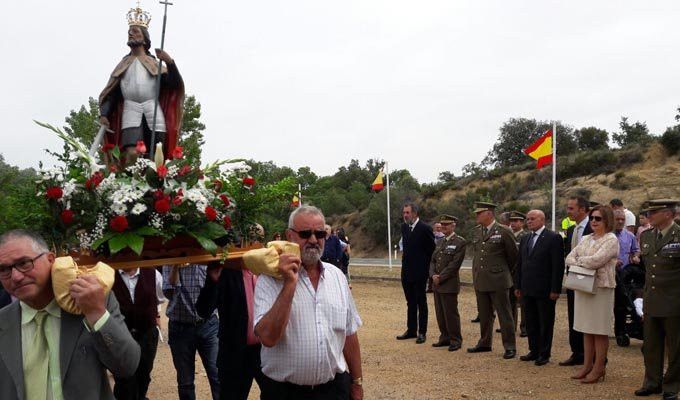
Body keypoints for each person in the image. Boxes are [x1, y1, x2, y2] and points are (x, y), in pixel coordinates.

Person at [0, 229, 140, 399]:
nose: (15, 277)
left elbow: (126, 366)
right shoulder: (4, 321)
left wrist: (96, 313)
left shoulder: (92, 302)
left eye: (24, 263)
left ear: (51, 259)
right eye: (4, 269)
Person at [254, 205, 364, 400]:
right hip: (285, 393)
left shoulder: (337, 276)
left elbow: (349, 334)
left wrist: (356, 383)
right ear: (290, 236)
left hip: (334, 390)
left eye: (319, 233)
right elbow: (268, 338)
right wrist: (289, 284)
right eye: (305, 233)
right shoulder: (269, 280)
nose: (313, 240)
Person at [99, 5, 184, 160]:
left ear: (144, 38)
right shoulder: (123, 64)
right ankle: (130, 183)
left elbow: (172, 84)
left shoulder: (154, 63)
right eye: (129, 32)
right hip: (131, 108)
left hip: (153, 108)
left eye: (135, 31)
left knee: (156, 153)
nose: (131, 33)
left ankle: (155, 183)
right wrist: (104, 113)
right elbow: (112, 92)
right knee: (132, 153)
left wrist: (169, 63)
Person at [565, 205, 619, 384]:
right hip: (584, 287)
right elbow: (569, 257)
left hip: (601, 289)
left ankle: (599, 367)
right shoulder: (587, 238)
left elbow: (598, 261)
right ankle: (587, 365)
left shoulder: (611, 239)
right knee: (586, 329)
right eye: (592, 218)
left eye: (598, 218)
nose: (594, 221)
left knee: (599, 330)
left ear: (607, 220)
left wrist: (580, 261)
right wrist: (583, 261)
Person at [634, 199, 680, 400]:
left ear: (668, 213)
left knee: (676, 348)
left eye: (654, 212)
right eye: (648, 212)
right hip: (652, 300)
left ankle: (672, 386)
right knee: (651, 346)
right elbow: (648, 271)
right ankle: (652, 382)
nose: (649, 215)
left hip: (674, 300)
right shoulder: (646, 236)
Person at [197, 266, 265, 400]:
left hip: (267, 352)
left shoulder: (266, 269)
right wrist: (212, 281)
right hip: (234, 354)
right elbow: (203, 310)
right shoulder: (227, 271)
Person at [467, 201, 519, 359]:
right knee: (484, 314)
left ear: (489, 213)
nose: (476, 215)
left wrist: (503, 273)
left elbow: (514, 257)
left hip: (499, 281)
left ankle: (510, 346)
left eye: (479, 213)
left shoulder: (504, 231)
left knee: (505, 314)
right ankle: (485, 343)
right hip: (481, 280)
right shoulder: (477, 231)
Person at [515, 210, 565, 366]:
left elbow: (558, 265)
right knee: (531, 321)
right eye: (527, 219)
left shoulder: (553, 238)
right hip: (527, 288)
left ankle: (544, 353)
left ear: (542, 220)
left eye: (532, 219)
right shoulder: (525, 238)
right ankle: (533, 350)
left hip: (545, 290)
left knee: (545, 322)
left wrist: (555, 289)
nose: (529, 221)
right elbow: (520, 264)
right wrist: (518, 285)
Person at [162, 264, 220, 400]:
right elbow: (168, 293)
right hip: (180, 327)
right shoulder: (171, 259)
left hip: (208, 325)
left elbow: (216, 288)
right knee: (185, 382)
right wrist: (176, 267)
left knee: (217, 375)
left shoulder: (205, 258)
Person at [111, 266, 166, 400]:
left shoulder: (153, 273)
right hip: (121, 334)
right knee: (124, 377)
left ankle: (141, 396)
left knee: (144, 373)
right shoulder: (109, 275)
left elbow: (159, 298)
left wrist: (154, 315)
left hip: (147, 333)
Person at [560, 196, 593, 367]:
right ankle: (577, 352)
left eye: (571, 208)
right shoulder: (572, 230)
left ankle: (592, 356)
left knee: (588, 318)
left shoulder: (593, 227)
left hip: (590, 280)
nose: (568, 211)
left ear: (582, 209)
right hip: (574, 279)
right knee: (574, 316)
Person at [397, 202, 436, 344]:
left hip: (420, 273)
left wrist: (427, 271)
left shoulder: (425, 229)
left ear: (415, 213)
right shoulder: (404, 228)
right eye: (404, 213)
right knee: (410, 302)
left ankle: (422, 332)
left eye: (407, 213)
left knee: (421, 302)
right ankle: (411, 330)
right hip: (406, 272)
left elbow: (432, 251)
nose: (405, 215)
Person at [429, 214, 467, 352]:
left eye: (447, 224)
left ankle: (455, 339)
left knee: (450, 313)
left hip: (448, 283)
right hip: (437, 283)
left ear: (453, 225)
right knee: (440, 313)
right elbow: (432, 260)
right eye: (442, 224)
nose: (444, 227)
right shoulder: (440, 241)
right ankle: (444, 337)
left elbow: (455, 264)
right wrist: (433, 275)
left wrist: (441, 277)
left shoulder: (460, 242)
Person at [612, 209, 641, 348]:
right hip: (608, 275)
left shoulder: (629, 236)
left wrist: (635, 256)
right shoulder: (606, 235)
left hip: (624, 276)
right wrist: (613, 261)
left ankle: (620, 331)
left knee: (621, 305)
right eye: (617, 219)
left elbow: (636, 250)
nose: (620, 221)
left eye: (622, 219)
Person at [508, 211, 529, 337]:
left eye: (516, 221)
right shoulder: (508, 235)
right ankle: (511, 325)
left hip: (521, 273)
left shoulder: (526, 236)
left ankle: (525, 327)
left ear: (522, 223)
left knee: (523, 302)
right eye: (512, 221)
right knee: (509, 301)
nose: (513, 223)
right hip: (509, 273)